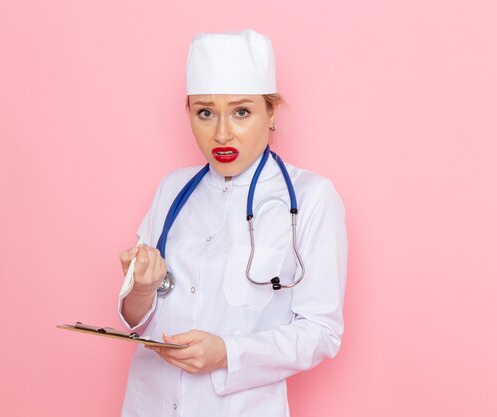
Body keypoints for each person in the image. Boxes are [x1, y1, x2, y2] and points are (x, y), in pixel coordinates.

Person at [117, 29, 347, 417]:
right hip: (150, 404)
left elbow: (322, 333)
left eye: (242, 111)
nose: (221, 133)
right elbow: (137, 320)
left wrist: (228, 353)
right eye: (205, 112)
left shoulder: (311, 198)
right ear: (189, 112)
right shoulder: (173, 189)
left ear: (271, 112)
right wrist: (140, 288)